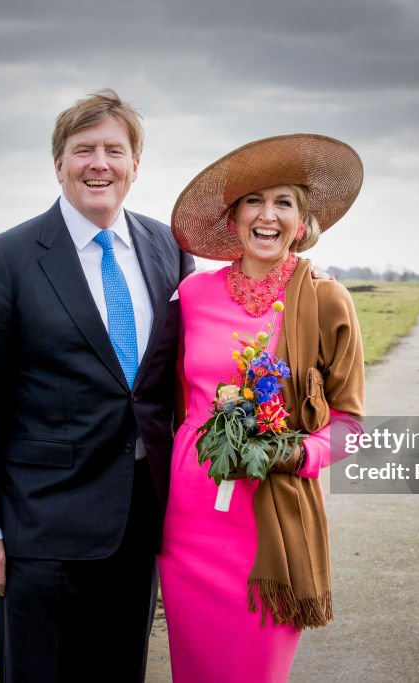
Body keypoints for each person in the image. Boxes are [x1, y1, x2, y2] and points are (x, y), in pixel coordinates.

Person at [0, 89, 193, 682]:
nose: (99, 164)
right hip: (41, 529)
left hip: (141, 522)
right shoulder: (5, 258)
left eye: (115, 149)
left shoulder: (170, 249)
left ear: (137, 165)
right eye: (83, 150)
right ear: (58, 163)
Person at [159, 134, 366, 681]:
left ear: (303, 221)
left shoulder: (326, 300)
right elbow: (170, 402)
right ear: (232, 218)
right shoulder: (192, 295)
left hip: (268, 527)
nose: (267, 215)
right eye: (253, 200)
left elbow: (350, 426)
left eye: (284, 202)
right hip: (187, 522)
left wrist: (293, 452)